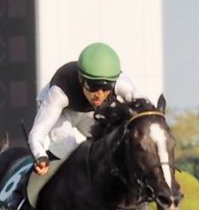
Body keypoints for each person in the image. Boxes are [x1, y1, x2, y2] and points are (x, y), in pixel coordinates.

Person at [27, 41, 145, 177]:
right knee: (69, 151)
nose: (99, 95)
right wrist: (40, 156)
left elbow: (145, 110)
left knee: (110, 143)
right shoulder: (59, 93)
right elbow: (36, 133)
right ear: (81, 79)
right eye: (93, 86)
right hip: (62, 111)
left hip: (89, 111)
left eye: (106, 88)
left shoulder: (121, 83)